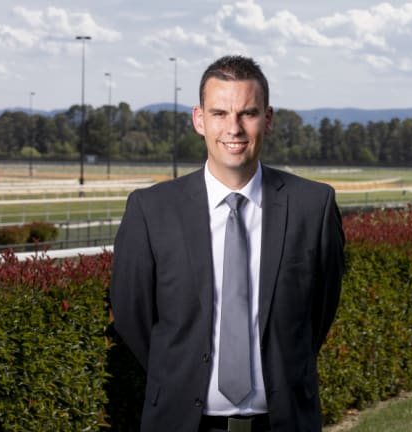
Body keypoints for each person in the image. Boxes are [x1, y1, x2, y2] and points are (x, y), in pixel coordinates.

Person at [110, 55, 346, 432]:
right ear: (198, 119)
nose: (233, 128)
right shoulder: (151, 210)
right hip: (180, 423)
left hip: (284, 423)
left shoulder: (312, 207)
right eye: (219, 113)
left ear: (267, 119)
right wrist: (177, 374)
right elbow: (132, 316)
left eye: (247, 114)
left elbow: (318, 314)